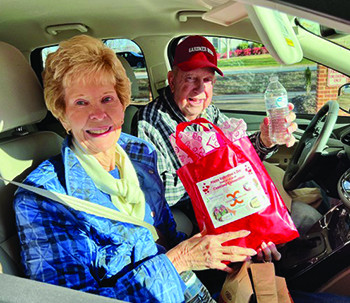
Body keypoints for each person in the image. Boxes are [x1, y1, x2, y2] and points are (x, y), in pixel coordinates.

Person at [13, 34, 264, 303]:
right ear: (62, 115)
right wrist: (178, 260)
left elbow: (167, 235)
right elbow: (70, 300)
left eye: (107, 99)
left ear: (123, 104)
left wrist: (227, 248)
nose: (98, 114)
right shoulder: (44, 197)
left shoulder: (139, 155)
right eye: (81, 102)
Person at [132, 35, 322, 235]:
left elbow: (238, 150)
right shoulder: (149, 121)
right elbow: (160, 192)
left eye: (207, 80)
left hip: (234, 200)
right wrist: (213, 173)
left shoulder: (208, 112)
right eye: (190, 79)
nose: (200, 89)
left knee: (307, 214)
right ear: (172, 80)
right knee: (302, 222)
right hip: (203, 218)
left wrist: (265, 139)